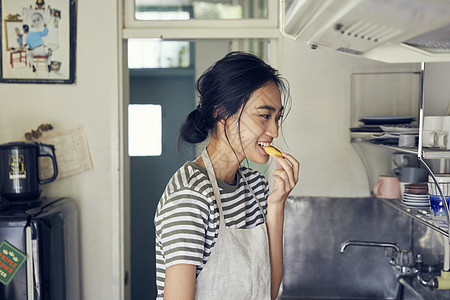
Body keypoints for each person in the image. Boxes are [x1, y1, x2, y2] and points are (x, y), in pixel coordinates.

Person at [154, 51, 299, 300]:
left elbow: (269, 292)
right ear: (222, 114)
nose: (274, 130)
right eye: (264, 116)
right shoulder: (190, 195)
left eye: (277, 118)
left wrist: (276, 206)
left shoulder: (257, 187)